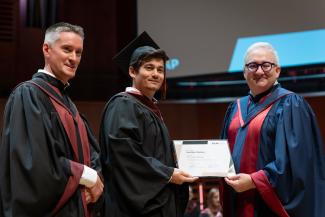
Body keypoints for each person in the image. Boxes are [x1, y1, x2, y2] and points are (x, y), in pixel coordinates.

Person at [0, 22, 104, 217]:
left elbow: (92, 154)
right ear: (46, 49)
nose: (73, 58)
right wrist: (87, 175)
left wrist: (97, 178)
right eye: (67, 50)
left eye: (78, 52)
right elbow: (35, 164)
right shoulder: (29, 95)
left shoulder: (68, 103)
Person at [220, 42, 325, 217]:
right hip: (238, 201)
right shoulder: (235, 108)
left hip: (268, 206)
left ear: (277, 70)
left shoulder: (291, 105)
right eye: (252, 65)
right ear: (244, 72)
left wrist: (254, 181)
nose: (259, 71)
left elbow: (296, 163)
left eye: (266, 65)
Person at [99, 31, 198, 217]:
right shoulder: (123, 105)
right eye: (149, 68)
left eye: (160, 70)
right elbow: (126, 157)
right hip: (135, 209)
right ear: (132, 71)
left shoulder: (147, 108)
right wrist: (167, 174)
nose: (156, 74)